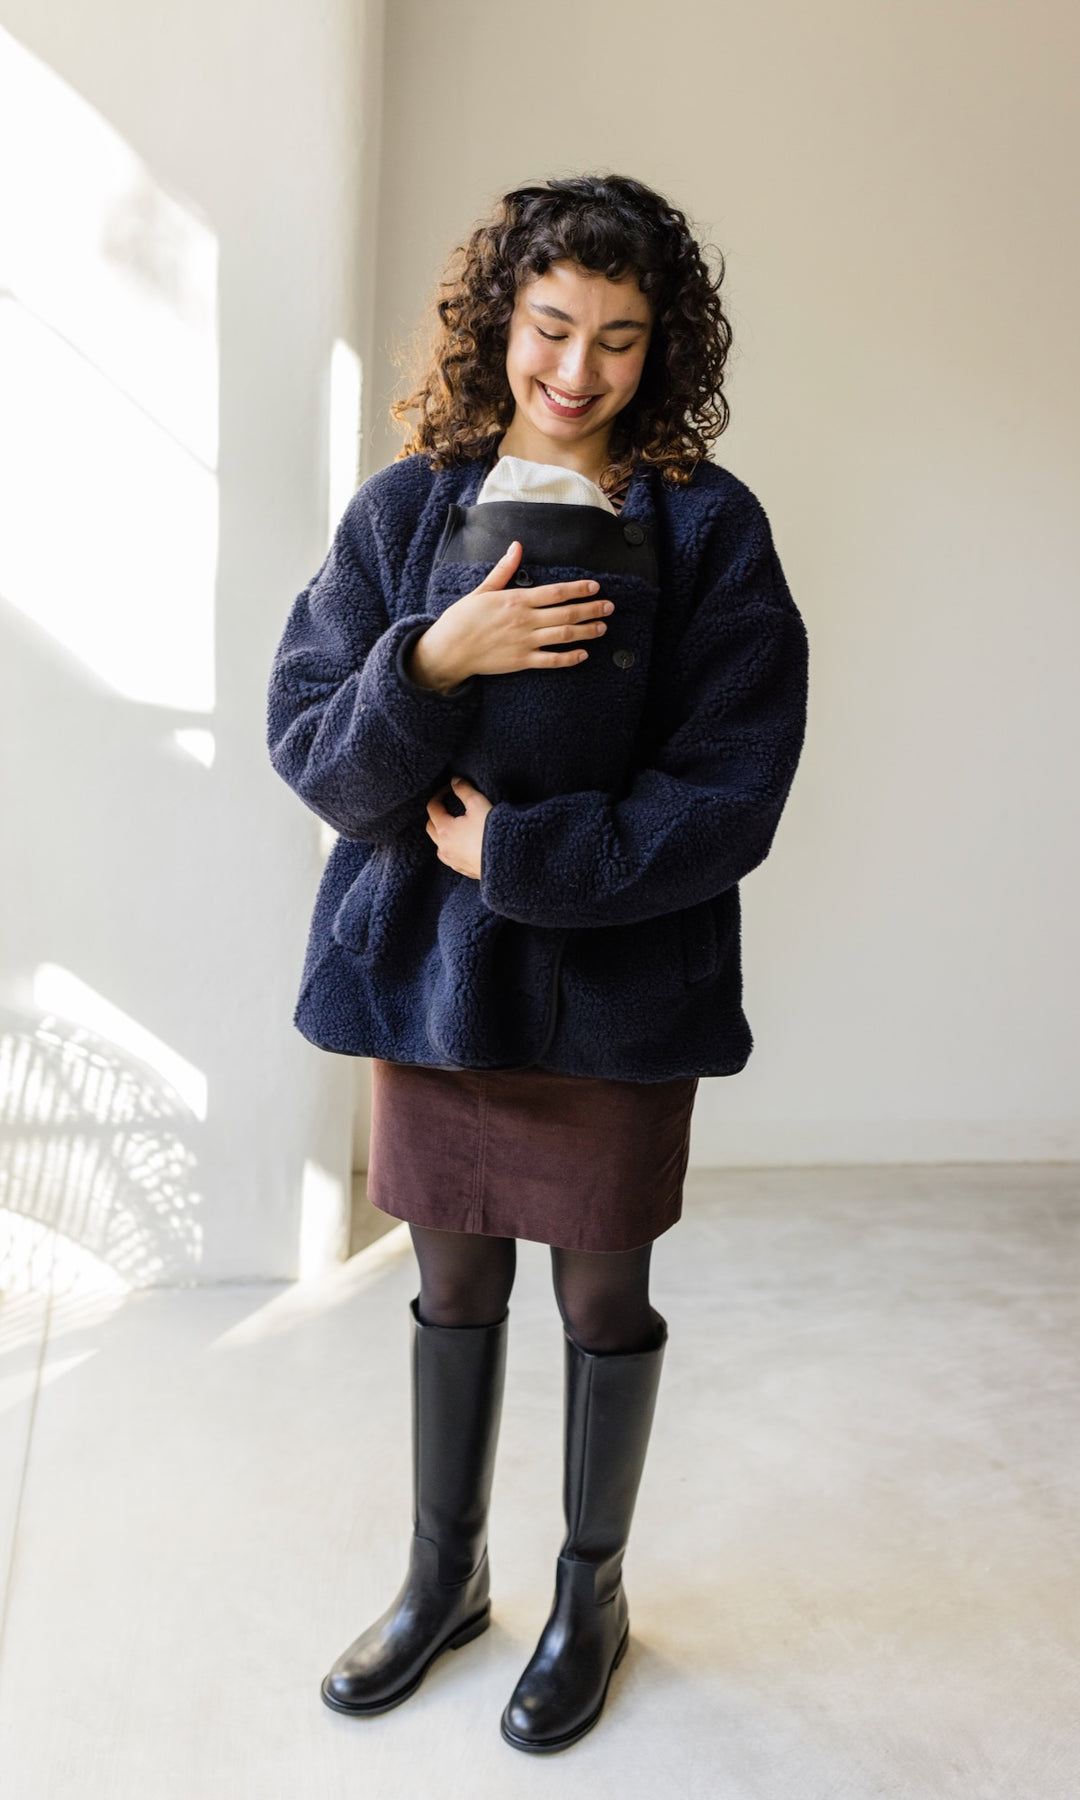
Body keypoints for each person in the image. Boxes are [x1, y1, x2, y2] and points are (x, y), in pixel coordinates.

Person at [266, 172, 810, 1753]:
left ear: (663, 346)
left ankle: (593, 1597)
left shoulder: (706, 526)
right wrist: (433, 659)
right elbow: (315, 749)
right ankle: (445, 1580)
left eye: (620, 339)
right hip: (429, 985)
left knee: (602, 1294)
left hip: (619, 993)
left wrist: (520, 857)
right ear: (500, 319)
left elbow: (734, 789)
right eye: (553, 327)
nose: (579, 370)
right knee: (449, 1282)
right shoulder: (405, 512)